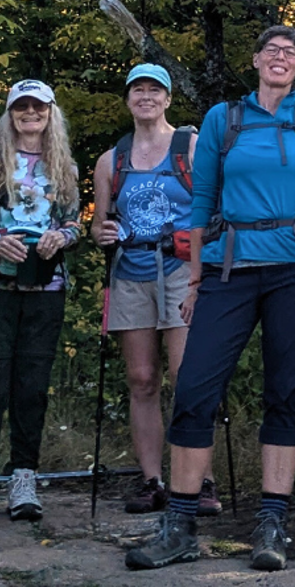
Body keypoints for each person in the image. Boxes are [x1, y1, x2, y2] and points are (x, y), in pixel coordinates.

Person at [126, 24, 295, 573]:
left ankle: (271, 524)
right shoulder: (223, 119)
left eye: (290, 53)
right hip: (228, 268)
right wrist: (195, 280)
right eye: (271, 50)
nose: (280, 57)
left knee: (286, 391)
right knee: (194, 387)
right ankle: (180, 525)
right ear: (255, 60)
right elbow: (201, 203)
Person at [0, 81, 84, 522]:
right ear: (9, 114)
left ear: (50, 113)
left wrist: (61, 238)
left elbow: (74, 224)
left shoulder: (64, 166)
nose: (30, 113)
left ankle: (24, 476)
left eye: (38, 107)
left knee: (32, 386)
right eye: (21, 106)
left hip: (46, 286)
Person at [90, 63, 210, 516]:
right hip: (131, 271)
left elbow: (212, 207)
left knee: (187, 377)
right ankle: (152, 480)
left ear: (168, 98)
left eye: (154, 90)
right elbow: (101, 223)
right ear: (127, 99)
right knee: (141, 379)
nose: (146, 97)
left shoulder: (190, 147)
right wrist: (101, 233)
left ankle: (199, 481)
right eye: (137, 90)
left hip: (182, 269)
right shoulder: (111, 160)